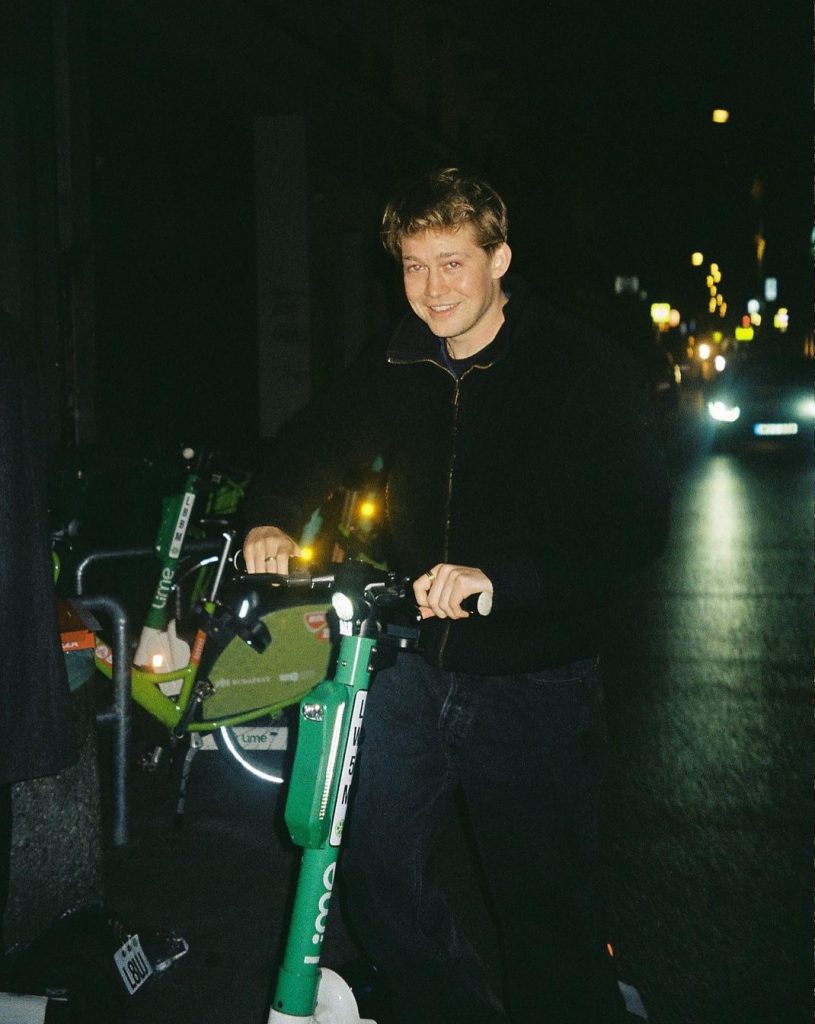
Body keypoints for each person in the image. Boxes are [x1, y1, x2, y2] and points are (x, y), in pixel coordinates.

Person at [242, 168, 670, 1024]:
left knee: (545, 913)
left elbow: (631, 525)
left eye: (450, 263)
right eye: (412, 265)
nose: (431, 289)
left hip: (532, 677)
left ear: (498, 258)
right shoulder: (399, 358)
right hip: (407, 664)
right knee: (375, 877)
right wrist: (272, 514)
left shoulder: (578, 368)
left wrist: (502, 580)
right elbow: (315, 440)